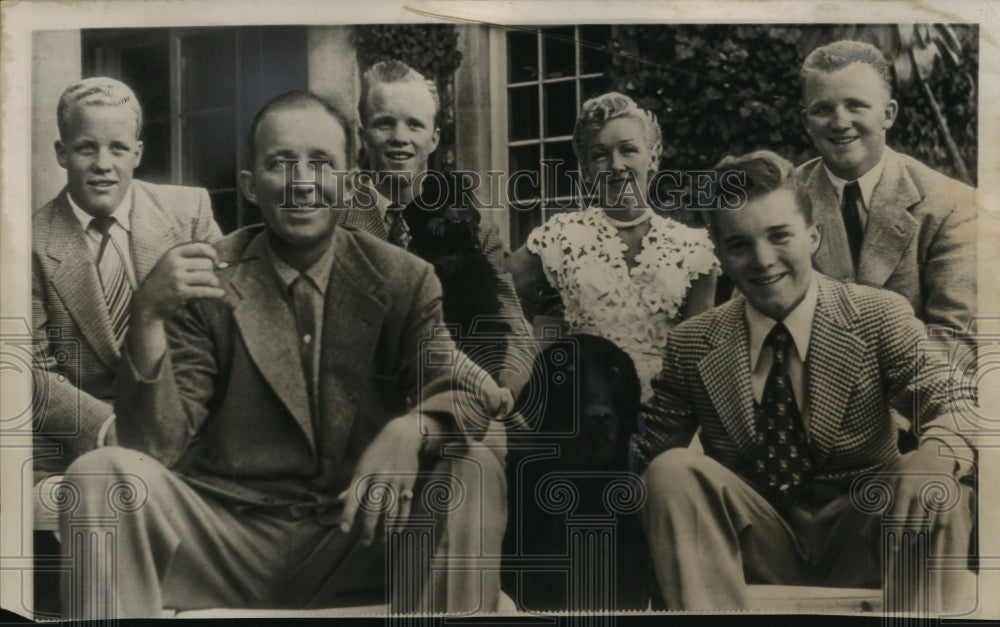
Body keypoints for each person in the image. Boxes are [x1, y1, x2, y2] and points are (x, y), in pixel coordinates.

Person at [58, 91, 509, 618]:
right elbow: (155, 447)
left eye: (321, 163)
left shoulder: (403, 279)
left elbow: (465, 397)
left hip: (362, 541)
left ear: (350, 179)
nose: (301, 182)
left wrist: (413, 429)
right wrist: (148, 318)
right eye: (280, 163)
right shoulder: (209, 277)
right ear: (250, 186)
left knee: (472, 466)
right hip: (227, 546)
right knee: (99, 474)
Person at [637, 150, 975, 611]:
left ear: (812, 236)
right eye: (740, 245)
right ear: (719, 252)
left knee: (936, 479)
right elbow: (647, 455)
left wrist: (935, 454)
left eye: (779, 236)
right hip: (755, 543)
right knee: (672, 471)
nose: (762, 260)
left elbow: (957, 401)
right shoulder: (694, 344)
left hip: (868, 531)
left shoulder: (877, 316)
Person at [32, 77, 222, 476]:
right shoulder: (29, 245)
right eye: (87, 148)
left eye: (117, 148)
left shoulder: (189, 212)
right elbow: (30, 374)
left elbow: (226, 329)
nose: (103, 164)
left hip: (191, 426)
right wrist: (111, 432)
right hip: (91, 446)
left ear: (136, 153)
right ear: (62, 153)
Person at [508, 92, 718, 402]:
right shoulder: (562, 236)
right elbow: (494, 288)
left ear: (653, 156)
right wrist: (535, 352)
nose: (615, 165)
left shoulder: (694, 248)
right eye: (600, 155)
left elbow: (699, 357)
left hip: (669, 411)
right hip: (586, 407)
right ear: (586, 169)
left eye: (628, 150)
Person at [341, 60, 530, 390]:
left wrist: (501, 393)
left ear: (434, 138)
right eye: (384, 123)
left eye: (415, 125)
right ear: (362, 134)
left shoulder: (469, 227)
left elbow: (513, 327)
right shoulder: (336, 227)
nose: (400, 138)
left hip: (465, 401)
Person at [796, 40, 976, 335]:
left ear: (889, 114)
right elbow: (754, 319)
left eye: (855, 105)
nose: (840, 122)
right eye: (823, 109)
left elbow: (956, 340)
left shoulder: (952, 205)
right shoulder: (783, 200)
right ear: (806, 121)